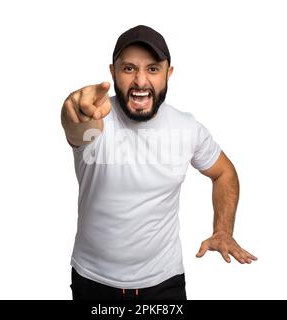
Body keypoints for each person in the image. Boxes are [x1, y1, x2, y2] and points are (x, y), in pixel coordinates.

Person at [61, 25, 257, 301]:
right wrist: (74, 109)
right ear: (112, 72)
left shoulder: (187, 128)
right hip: (93, 282)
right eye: (128, 69)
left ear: (169, 73)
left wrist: (223, 230)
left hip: (165, 283)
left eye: (152, 69)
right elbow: (76, 127)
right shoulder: (97, 120)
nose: (141, 81)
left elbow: (224, 172)